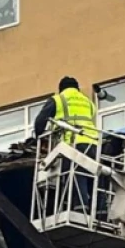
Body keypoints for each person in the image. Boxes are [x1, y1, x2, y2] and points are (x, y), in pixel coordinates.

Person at [34, 77, 99, 213]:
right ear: (77, 88)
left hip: (72, 142)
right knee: (92, 175)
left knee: (75, 174)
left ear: (61, 89)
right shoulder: (88, 102)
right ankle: (99, 211)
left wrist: (41, 137)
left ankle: (79, 210)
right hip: (93, 142)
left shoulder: (57, 99)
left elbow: (39, 122)